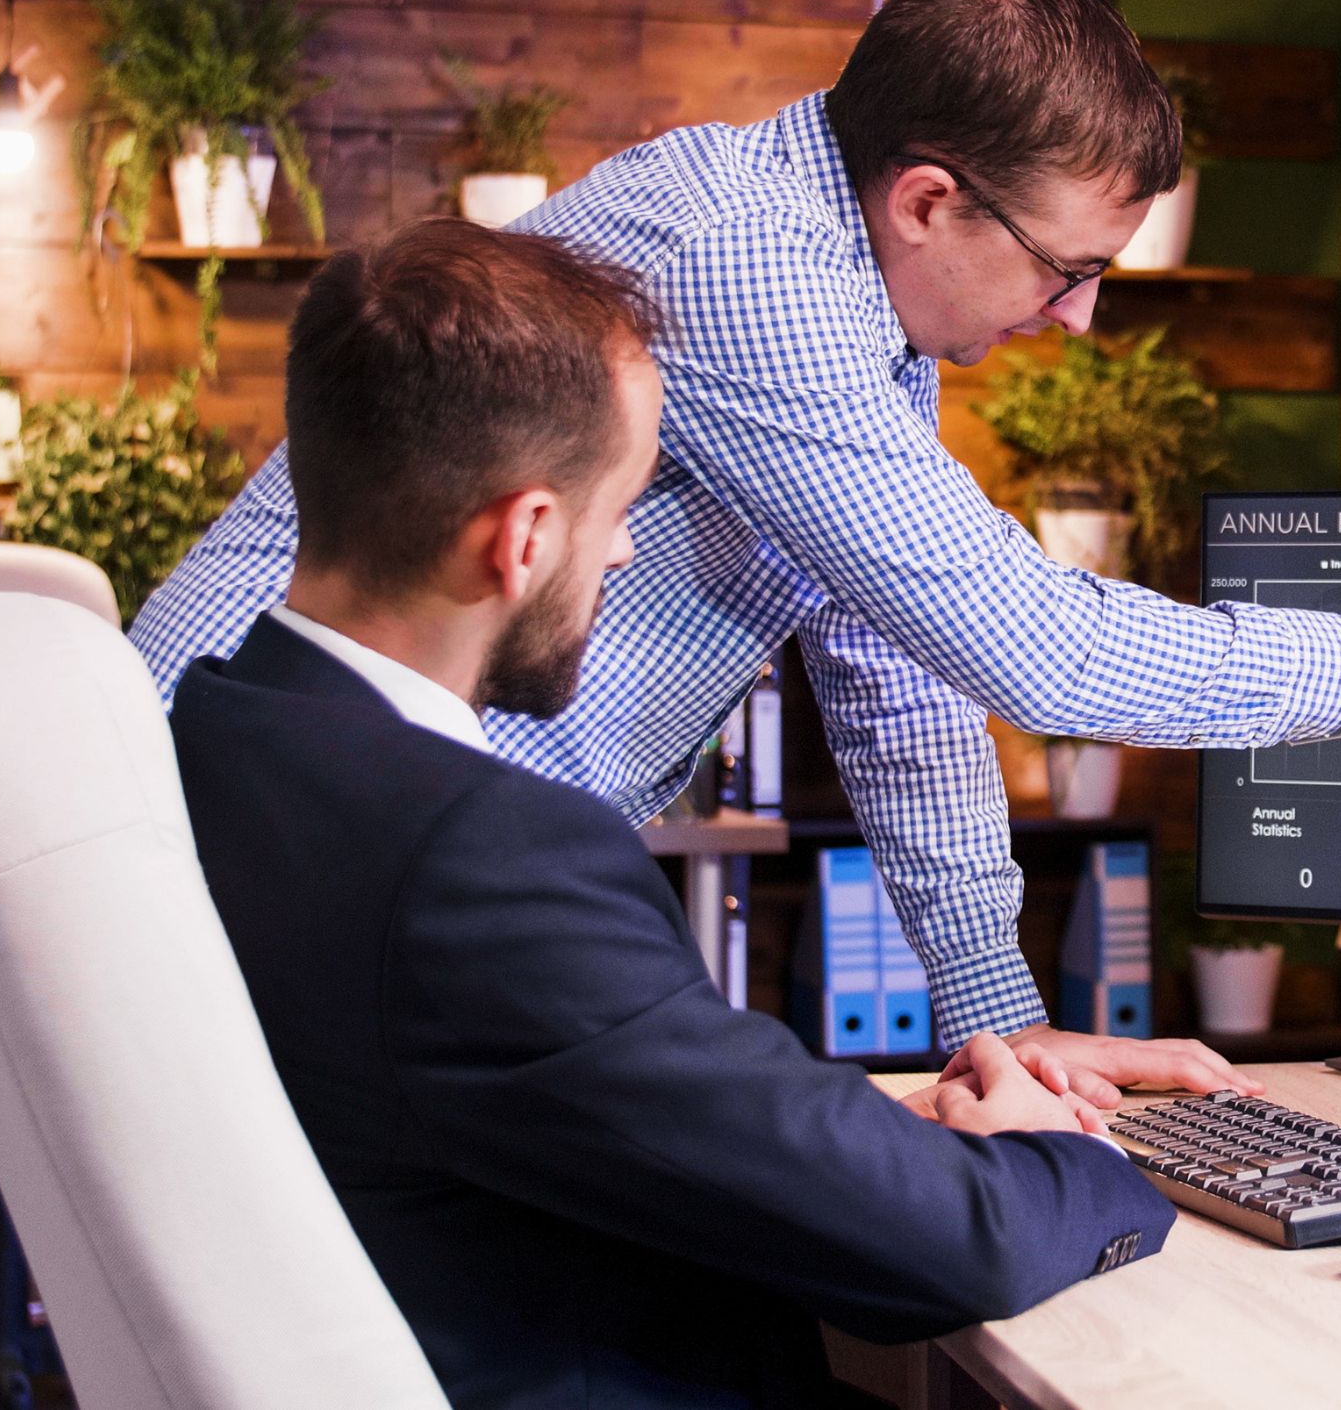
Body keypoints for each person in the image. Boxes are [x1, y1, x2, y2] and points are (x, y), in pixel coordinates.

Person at [135, 0, 1341, 1100]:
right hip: (254, 830)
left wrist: (1000, 1023)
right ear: (928, 199)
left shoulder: (856, 307)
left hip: (354, 838)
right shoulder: (750, 263)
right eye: (1067, 268)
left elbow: (908, 675)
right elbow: (1030, 645)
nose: (1080, 316)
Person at [169, 220, 1174, 1410]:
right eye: (622, 507)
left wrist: (864, 1138)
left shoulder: (216, 739)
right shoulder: (483, 855)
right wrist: (1067, 1154)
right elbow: (961, 1247)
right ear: (524, 537)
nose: (625, 549)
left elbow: (571, 1096)